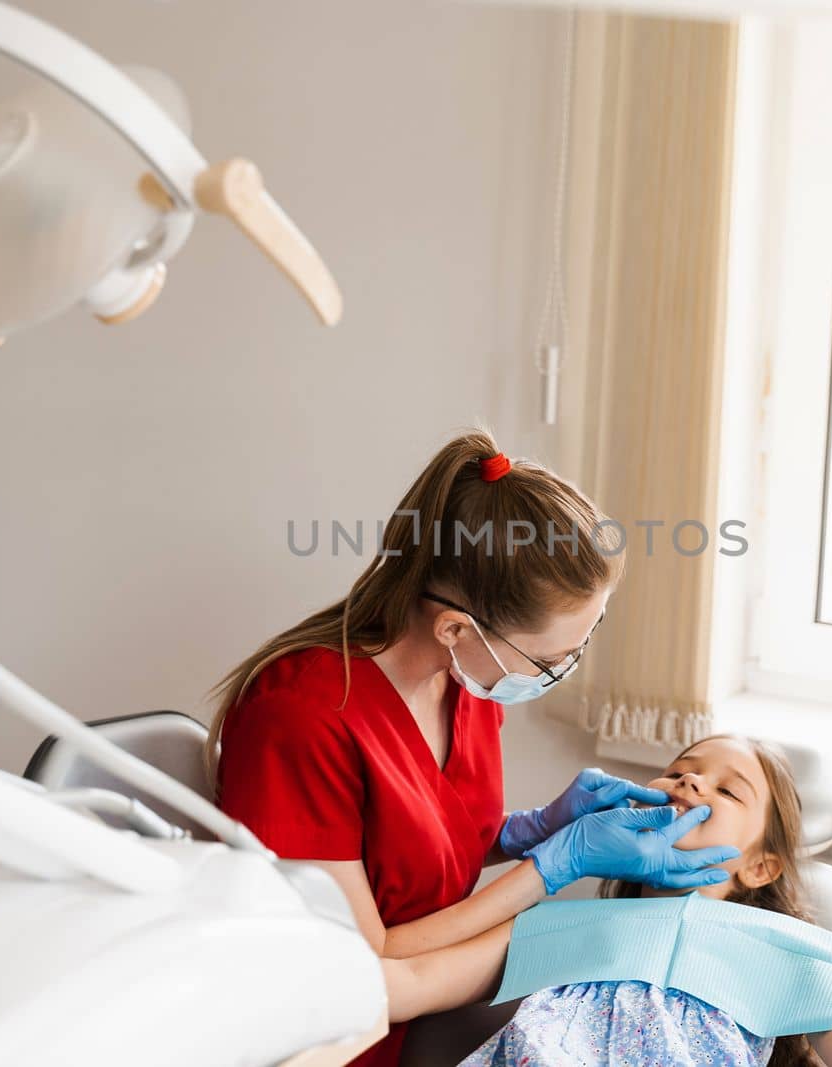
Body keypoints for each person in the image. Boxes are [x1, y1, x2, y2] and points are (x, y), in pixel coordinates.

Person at [209, 429, 736, 1065]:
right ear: (456, 628)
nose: (562, 668)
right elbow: (356, 960)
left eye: (584, 640)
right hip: (328, 1034)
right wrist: (550, 867)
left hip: (424, 1014)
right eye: (548, 658)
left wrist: (530, 830)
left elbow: (407, 852)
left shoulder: (465, 686)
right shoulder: (300, 718)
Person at [382, 736, 832, 1067]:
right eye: (679, 770)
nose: (690, 779)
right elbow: (412, 979)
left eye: (728, 789)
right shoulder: (562, 926)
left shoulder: (772, 950)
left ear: (759, 867)